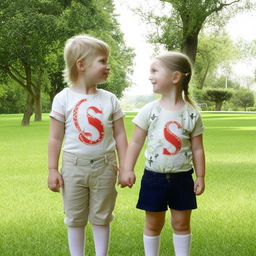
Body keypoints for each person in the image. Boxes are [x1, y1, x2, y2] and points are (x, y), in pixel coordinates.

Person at [47, 34, 127, 256]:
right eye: (102, 61)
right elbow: (55, 138)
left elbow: (121, 136)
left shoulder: (110, 99)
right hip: (73, 167)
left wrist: (126, 167)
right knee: (75, 218)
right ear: (81, 64)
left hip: (105, 166)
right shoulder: (63, 98)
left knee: (102, 216)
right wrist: (52, 169)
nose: (108, 66)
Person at [120, 52, 205, 256]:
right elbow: (136, 142)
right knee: (153, 224)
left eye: (155, 71)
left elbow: (197, 148)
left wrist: (200, 176)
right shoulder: (150, 110)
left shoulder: (191, 114)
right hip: (154, 177)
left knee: (181, 223)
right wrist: (126, 169)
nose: (150, 76)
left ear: (175, 77)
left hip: (183, 178)